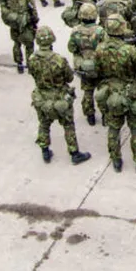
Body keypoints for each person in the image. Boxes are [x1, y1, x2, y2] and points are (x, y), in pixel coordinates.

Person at [95, 14, 136, 174]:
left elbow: (96, 71)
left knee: (113, 128)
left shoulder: (99, 49)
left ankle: (116, 160)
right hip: (130, 92)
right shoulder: (130, 51)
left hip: (111, 94)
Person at [29, 26, 92, 166]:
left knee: (44, 124)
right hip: (60, 97)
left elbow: (33, 74)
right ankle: (74, 153)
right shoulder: (59, 60)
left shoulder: (32, 59)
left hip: (42, 97)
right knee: (68, 125)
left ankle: (45, 151)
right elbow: (69, 78)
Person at [2, 0, 39, 74]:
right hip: (25, 18)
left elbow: (3, 1)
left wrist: (8, 15)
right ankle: (30, 65)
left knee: (16, 42)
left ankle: (19, 64)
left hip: (12, 18)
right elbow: (31, 3)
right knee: (29, 43)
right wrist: (35, 17)